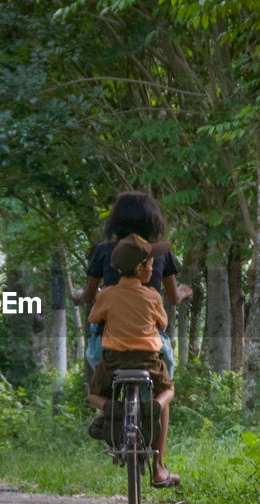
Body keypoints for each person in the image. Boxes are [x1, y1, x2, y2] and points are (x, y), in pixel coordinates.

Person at [86, 234, 180, 488]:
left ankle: (110, 410)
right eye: (150, 265)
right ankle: (156, 406)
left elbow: (94, 319)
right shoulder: (152, 296)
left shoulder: (107, 294)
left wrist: (103, 302)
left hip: (115, 361)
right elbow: (163, 322)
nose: (153, 268)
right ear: (139, 269)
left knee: (93, 395)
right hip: (148, 360)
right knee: (168, 389)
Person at [73, 191, 192, 372]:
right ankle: (160, 400)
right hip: (149, 342)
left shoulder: (103, 250)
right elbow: (173, 298)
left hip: (109, 343)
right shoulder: (160, 253)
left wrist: (80, 294)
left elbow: (89, 297)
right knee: (164, 381)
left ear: (116, 221)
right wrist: (184, 291)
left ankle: (104, 397)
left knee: (99, 372)